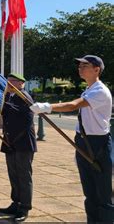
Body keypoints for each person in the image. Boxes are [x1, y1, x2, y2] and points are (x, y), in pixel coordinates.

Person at [30, 55, 112, 223]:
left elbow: (73, 105)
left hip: (98, 144)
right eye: (79, 65)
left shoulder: (100, 91)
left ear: (97, 69)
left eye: (85, 65)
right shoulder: (89, 89)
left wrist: (48, 107)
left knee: (103, 193)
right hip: (85, 141)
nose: (80, 68)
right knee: (89, 192)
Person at [0, 73, 36, 222]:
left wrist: (2, 98)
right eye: (8, 82)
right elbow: (4, 112)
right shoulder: (11, 96)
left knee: (24, 176)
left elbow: (18, 112)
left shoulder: (25, 97)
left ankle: (25, 207)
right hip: (10, 141)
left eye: (13, 82)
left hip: (23, 142)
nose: (9, 84)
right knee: (13, 174)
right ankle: (16, 202)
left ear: (21, 84)